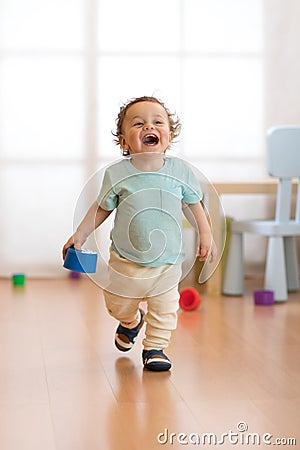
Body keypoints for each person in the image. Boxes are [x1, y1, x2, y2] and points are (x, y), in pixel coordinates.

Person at [62, 96, 216, 372]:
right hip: (126, 259)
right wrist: (80, 235)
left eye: (158, 122)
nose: (149, 126)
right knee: (117, 304)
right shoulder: (118, 174)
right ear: (124, 141)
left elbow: (194, 205)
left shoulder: (180, 172)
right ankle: (131, 322)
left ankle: (155, 347)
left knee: (166, 307)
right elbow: (101, 208)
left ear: (169, 135)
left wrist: (206, 234)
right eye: (138, 123)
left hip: (167, 261)